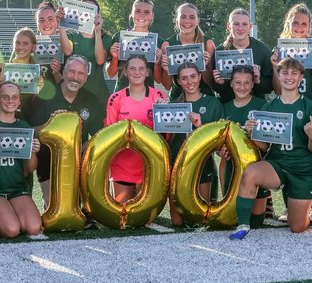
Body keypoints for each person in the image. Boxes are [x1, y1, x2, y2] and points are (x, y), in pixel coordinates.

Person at [231, 57, 312, 238]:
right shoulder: (269, 107)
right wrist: (252, 133)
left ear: (301, 77)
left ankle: (307, 210)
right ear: (278, 75)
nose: (289, 77)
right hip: (277, 163)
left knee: (297, 227)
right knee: (251, 173)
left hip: (302, 168)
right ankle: (242, 225)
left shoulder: (310, 106)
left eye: (294, 73)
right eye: (284, 73)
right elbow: (264, 147)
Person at [26, 54, 103, 201]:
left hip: (78, 165)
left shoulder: (91, 100)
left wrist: (79, 152)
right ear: (64, 72)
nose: (75, 77)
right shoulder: (45, 96)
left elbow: (98, 135)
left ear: (86, 77)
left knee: (82, 212)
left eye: (81, 73)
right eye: (72, 71)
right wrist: (50, 124)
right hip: (48, 164)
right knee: (54, 210)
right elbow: (31, 132)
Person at [0, 81, 43, 238]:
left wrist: (33, 151)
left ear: (19, 101)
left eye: (14, 97)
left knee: (33, 228)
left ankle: (7, 211)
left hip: (17, 189)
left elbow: (29, 169)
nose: (10, 101)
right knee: (11, 229)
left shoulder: (24, 127)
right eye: (5, 97)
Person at [165, 63, 224, 226]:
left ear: (199, 77)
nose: (189, 82)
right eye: (184, 78)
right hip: (176, 165)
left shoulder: (213, 104)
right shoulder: (171, 106)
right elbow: (162, 140)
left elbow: (218, 142)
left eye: (193, 76)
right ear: (179, 81)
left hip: (202, 165)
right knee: (177, 222)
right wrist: (160, 117)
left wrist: (200, 127)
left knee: (200, 219)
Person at [105, 54, 167, 203]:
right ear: (125, 72)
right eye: (132, 68)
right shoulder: (115, 98)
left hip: (148, 165)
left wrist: (163, 112)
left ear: (147, 72)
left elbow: (166, 135)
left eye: (141, 69)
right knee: (122, 214)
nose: (137, 72)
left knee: (144, 219)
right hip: (123, 165)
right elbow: (110, 134)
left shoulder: (158, 96)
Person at [219, 65, 269, 226]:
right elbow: (219, 145)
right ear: (231, 84)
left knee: (256, 223)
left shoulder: (262, 106)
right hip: (231, 170)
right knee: (232, 221)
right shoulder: (224, 107)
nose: (242, 87)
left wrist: (252, 134)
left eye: (247, 83)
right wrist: (221, 151)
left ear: (253, 84)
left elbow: (266, 147)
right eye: (238, 82)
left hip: (256, 169)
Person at [211, 7, 273, 101]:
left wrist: (258, 81)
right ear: (229, 26)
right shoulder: (220, 52)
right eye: (236, 24)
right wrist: (220, 83)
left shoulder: (262, 51)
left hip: (256, 108)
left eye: (244, 24)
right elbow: (217, 89)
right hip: (228, 106)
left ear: (250, 27)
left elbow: (269, 87)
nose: (240, 28)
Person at [158, 2, 216, 99]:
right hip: (178, 101)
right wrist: (165, 70)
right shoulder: (167, 45)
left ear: (198, 21)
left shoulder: (208, 45)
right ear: (176, 20)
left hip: (205, 101)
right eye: (183, 17)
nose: (187, 21)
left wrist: (204, 66)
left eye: (192, 17)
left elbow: (211, 83)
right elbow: (167, 86)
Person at [270, 3, 312, 100]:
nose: (299, 28)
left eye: (304, 24)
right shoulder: (280, 50)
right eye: (295, 23)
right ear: (288, 23)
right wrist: (275, 67)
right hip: (289, 104)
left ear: (309, 26)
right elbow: (278, 91)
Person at [105, 0, 162, 90]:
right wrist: (115, 58)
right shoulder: (119, 37)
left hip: (147, 96)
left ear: (152, 15)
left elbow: (159, 80)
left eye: (147, 12)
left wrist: (157, 64)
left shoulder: (158, 41)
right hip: (122, 94)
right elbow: (110, 74)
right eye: (137, 11)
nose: (142, 15)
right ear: (132, 14)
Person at [67, 0, 116, 103]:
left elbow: (100, 60)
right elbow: (66, 51)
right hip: (75, 94)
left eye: (91, 10)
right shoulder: (71, 35)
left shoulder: (105, 37)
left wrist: (97, 32)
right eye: (84, 9)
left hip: (98, 95)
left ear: (98, 15)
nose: (87, 13)